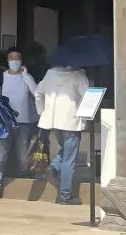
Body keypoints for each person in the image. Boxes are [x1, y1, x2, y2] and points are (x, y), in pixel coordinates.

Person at [35, 64, 90, 205]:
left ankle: (53, 167)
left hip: (53, 121)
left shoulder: (49, 74)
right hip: (71, 122)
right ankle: (66, 196)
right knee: (69, 158)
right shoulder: (78, 75)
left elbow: (38, 93)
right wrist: (86, 116)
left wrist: (42, 112)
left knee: (67, 151)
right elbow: (88, 97)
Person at [0, 47, 38, 200]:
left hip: (24, 122)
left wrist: (26, 75)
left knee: (23, 156)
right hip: (5, 123)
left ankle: (23, 184)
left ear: (21, 61)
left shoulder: (26, 77)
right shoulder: (1, 78)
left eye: (18, 58)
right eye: (12, 58)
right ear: (7, 60)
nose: (15, 61)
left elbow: (36, 92)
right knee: (2, 155)